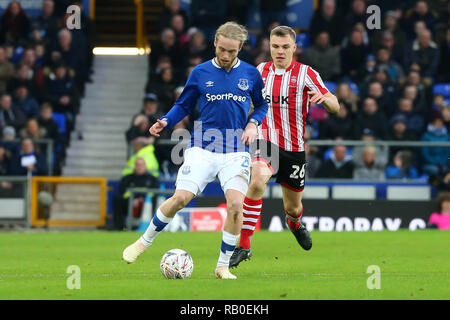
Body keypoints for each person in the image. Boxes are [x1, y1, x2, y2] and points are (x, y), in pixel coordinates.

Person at [122, 22, 269, 279]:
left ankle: (222, 267)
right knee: (180, 199)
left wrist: (253, 123)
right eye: (222, 49)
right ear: (215, 43)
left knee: (236, 205)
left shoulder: (250, 74)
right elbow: (183, 104)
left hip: (235, 151)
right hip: (202, 148)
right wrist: (166, 120)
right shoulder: (200, 72)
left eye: (232, 52)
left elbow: (261, 106)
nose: (225, 56)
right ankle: (143, 243)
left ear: (240, 49)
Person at [230, 26, 340, 268]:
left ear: (294, 48)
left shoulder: (306, 74)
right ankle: (244, 245)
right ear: (269, 47)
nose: (279, 51)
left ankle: (293, 222)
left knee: (293, 206)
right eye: (275, 47)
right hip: (265, 141)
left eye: (285, 47)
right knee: (257, 180)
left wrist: (327, 101)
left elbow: (335, 104)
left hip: (294, 149)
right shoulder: (260, 71)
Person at [113, 158, 160, 231]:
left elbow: (154, 193)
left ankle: (154, 227)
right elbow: (122, 192)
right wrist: (133, 199)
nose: (139, 167)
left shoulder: (152, 179)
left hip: (147, 203)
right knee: (117, 199)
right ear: (135, 166)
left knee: (155, 201)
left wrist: (142, 199)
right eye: (137, 165)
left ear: (145, 166)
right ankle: (120, 227)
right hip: (130, 203)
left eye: (141, 165)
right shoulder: (127, 179)